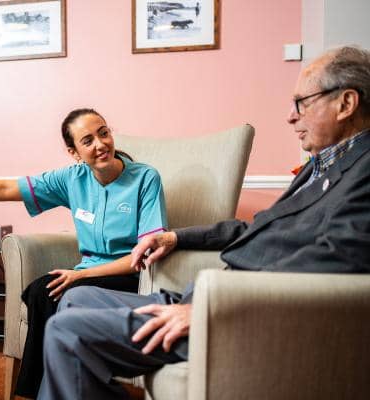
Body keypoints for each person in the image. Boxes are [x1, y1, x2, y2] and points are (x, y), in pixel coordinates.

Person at [36, 46, 370, 400]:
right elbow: (254, 229)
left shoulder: (362, 172)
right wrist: (174, 238)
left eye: (302, 102)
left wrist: (210, 309)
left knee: (66, 331)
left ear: (345, 104)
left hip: (239, 314)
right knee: (76, 299)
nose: (290, 116)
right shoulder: (322, 166)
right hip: (212, 297)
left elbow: (340, 259)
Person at [0, 108, 168, 398]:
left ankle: (39, 392)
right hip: (87, 272)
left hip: (129, 274)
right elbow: (4, 188)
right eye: (87, 141)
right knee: (41, 291)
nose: (100, 144)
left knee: (58, 290)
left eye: (103, 133)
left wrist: (83, 274)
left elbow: (145, 253)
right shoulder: (73, 179)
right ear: (74, 152)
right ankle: (40, 391)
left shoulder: (145, 179)